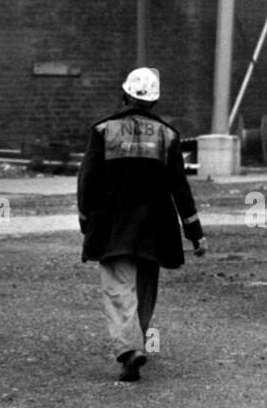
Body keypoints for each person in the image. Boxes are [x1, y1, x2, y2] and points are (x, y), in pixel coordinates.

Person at [77, 67, 206, 383]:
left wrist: (85, 218)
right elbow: (180, 189)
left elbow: (87, 180)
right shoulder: (168, 135)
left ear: (124, 95)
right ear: (153, 102)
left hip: (112, 227)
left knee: (118, 290)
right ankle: (137, 343)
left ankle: (130, 348)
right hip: (155, 230)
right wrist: (195, 232)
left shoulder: (103, 131)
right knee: (145, 293)